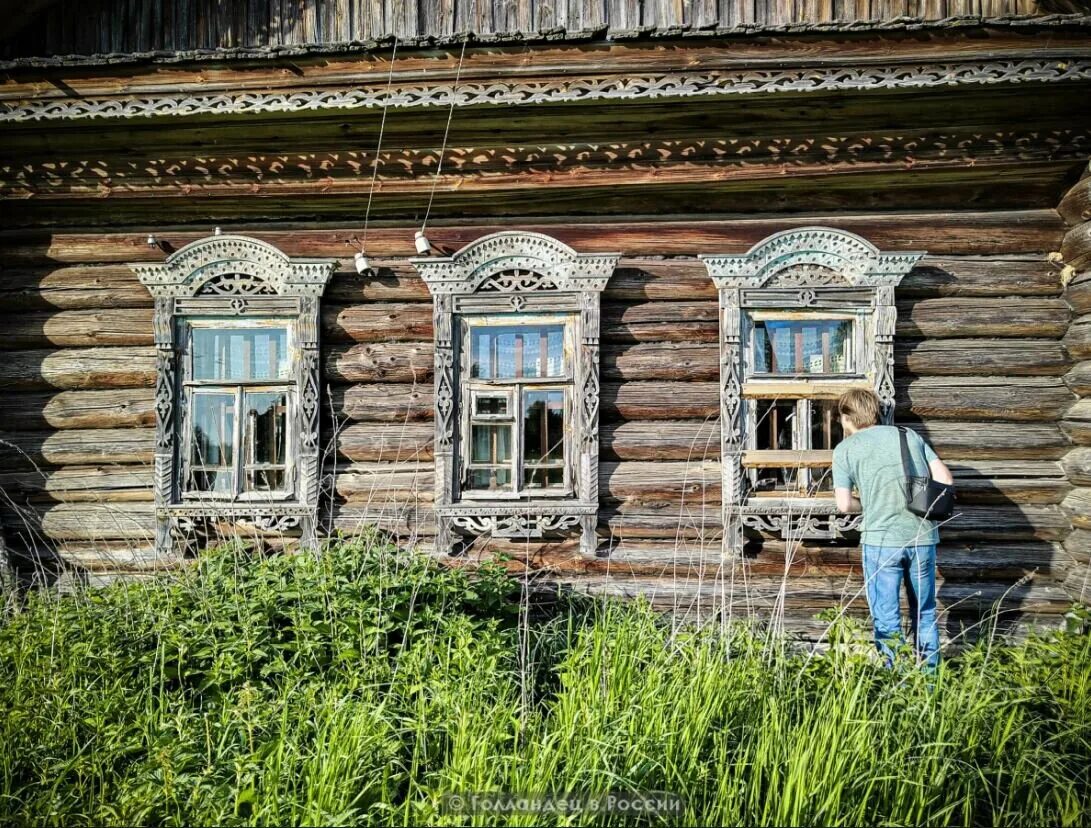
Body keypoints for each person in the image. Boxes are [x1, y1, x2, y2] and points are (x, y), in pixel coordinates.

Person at [831, 388, 954, 670]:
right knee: (924, 612)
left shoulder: (845, 449)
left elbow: (843, 504)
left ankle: (894, 684)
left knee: (886, 618)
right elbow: (945, 479)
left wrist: (870, 504)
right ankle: (930, 683)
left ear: (847, 417)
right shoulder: (908, 436)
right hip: (922, 537)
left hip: (881, 541)